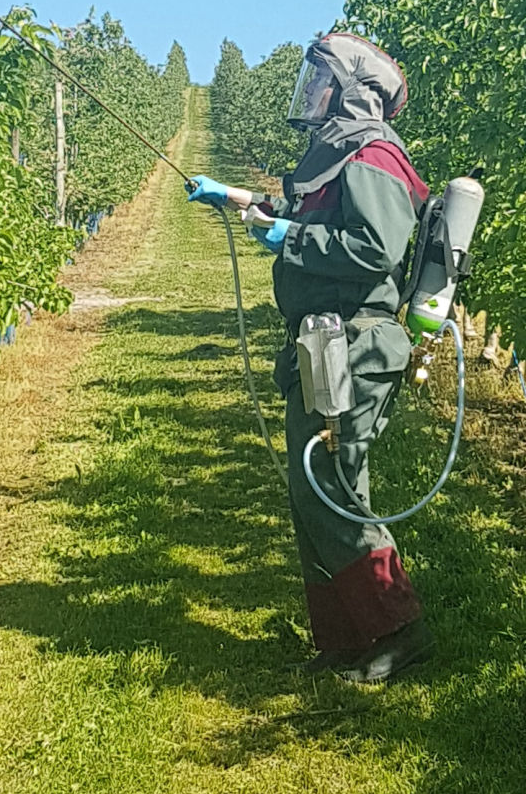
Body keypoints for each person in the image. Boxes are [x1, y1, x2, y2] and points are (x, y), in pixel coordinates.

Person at [186, 33, 434, 683]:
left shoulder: (375, 154)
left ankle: (399, 629)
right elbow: (294, 217)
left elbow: (373, 248)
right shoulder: (336, 156)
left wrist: (289, 238)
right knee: (314, 487)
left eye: (324, 81)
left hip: (354, 340)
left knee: (330, 486)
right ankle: (349, 637)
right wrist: (235, 201)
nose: (313, 94)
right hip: (322, 340)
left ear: (352, 89)